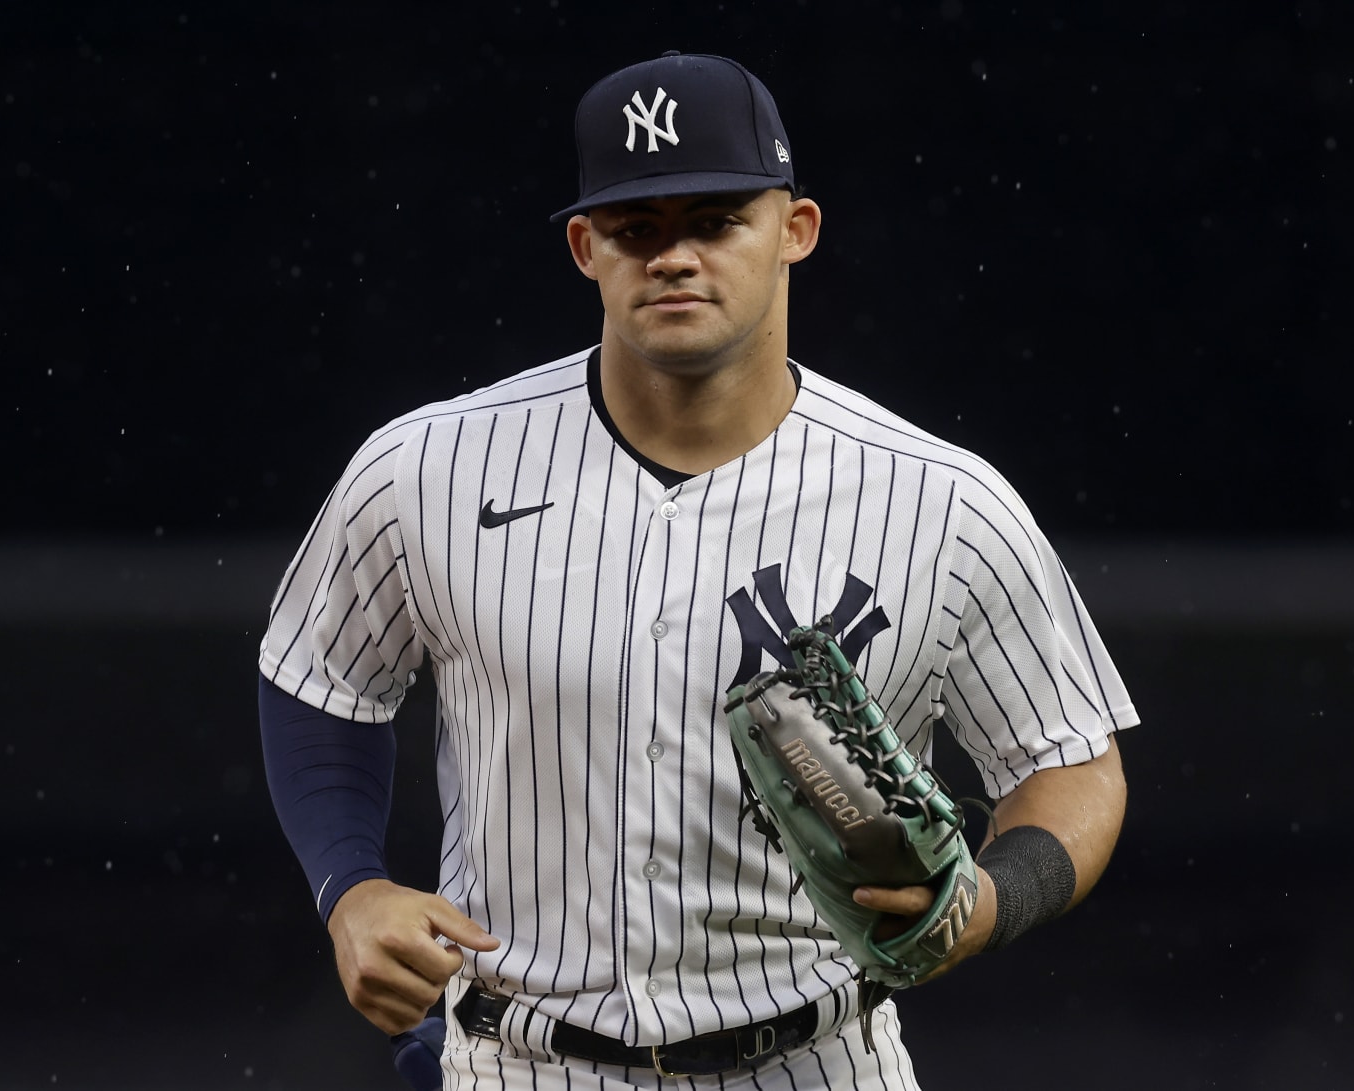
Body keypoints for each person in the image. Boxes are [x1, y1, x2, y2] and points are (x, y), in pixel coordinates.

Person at [258, 51, 1137, 1090]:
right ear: (587, 248)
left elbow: (1072, 762)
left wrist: (991, 901)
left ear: (794, 232)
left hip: (818, 1058)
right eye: (638, 228)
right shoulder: (429, 466)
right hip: (521, 1059)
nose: (673, 255)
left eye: (716, 220)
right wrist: (349, 885)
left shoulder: (943, 500)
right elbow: (322, 678)